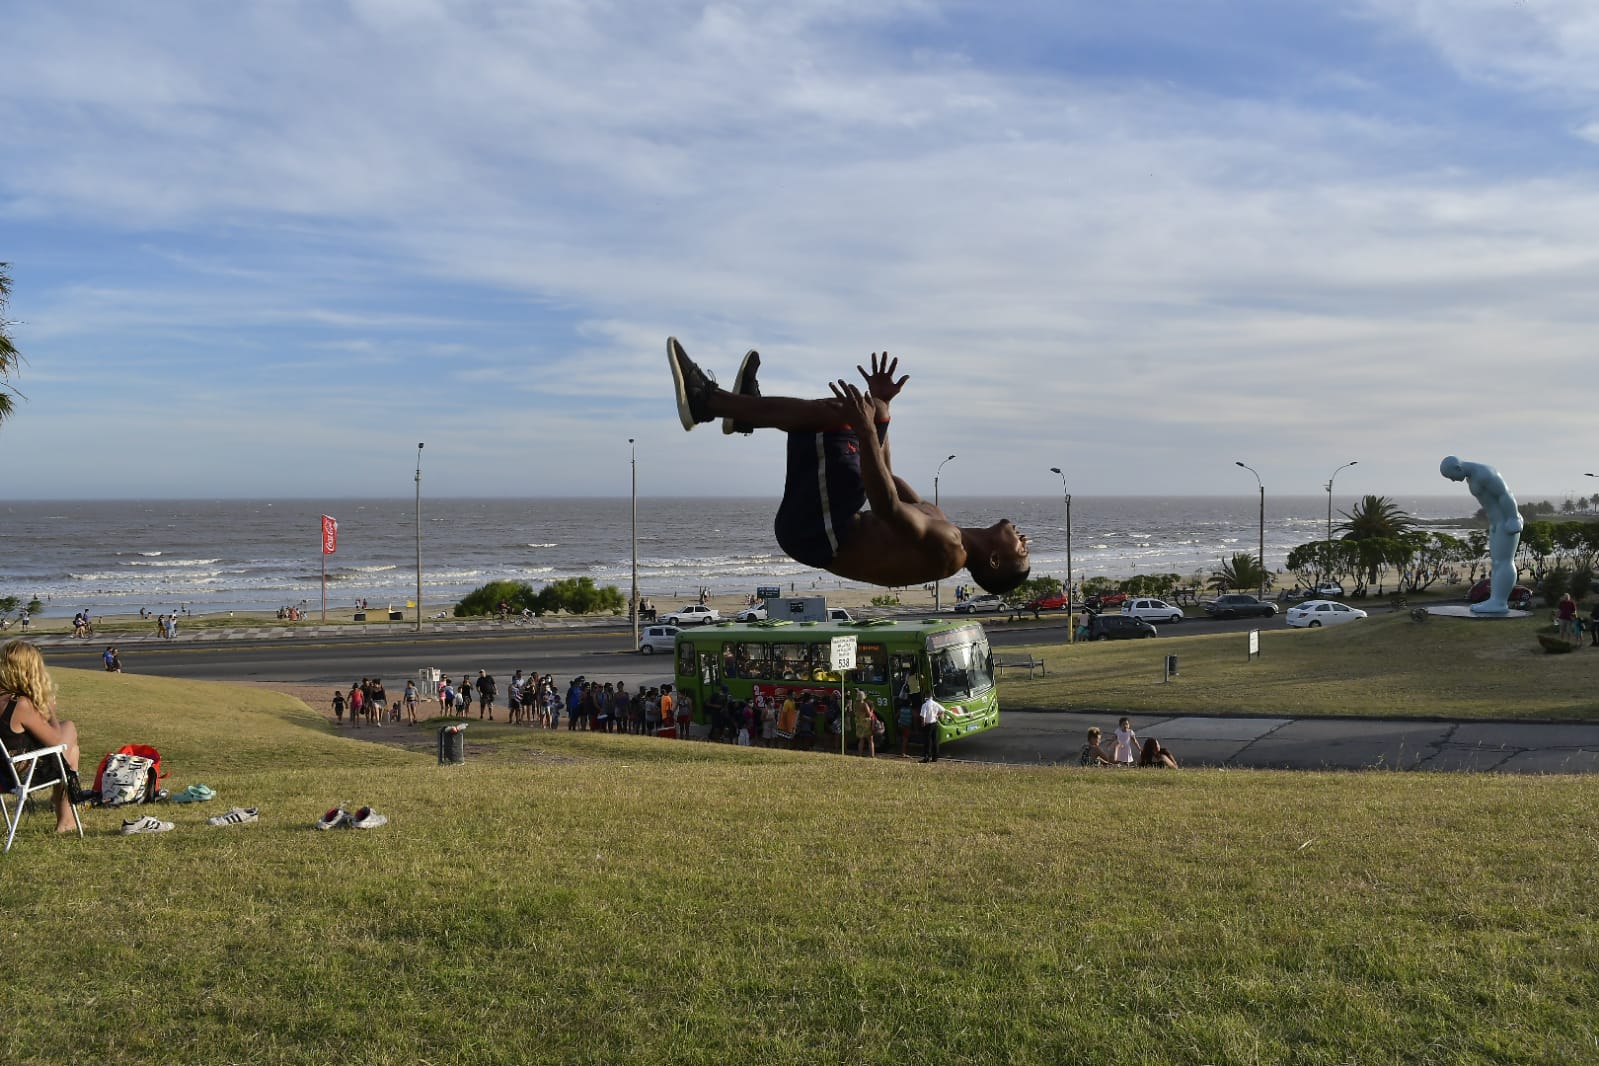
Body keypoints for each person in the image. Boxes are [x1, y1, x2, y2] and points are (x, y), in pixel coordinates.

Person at [668, 341, 1031, 595]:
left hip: (818, 534)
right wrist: (883, 408)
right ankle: (744, 410)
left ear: (995, 560)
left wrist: (867, 429)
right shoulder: (943, 522)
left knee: (843, 417)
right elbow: (886, 475)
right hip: (824, 526)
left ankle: (707, 402)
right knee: (860, 411)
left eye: (1022, 549)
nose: (1025, 539)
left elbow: (886, 505)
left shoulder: (950, 549)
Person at [0, 640, 84, 832]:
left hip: (2, 770)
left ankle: (65, 818)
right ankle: (65, 820)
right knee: (69, 732)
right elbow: (56, 741)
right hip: (19, 774)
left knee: (72, 751)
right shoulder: (19, 704)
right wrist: (50, 710)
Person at [1440, 456, 1524, 615]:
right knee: (1498, 563)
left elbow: (1505, 495)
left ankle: (1499, 603)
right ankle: (1495, 600)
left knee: (1504, 561)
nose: (1452, 480)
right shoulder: (1471, 476)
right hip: (1497, 524)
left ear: (1458, 468)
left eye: (1451, 476)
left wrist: (1512, 518)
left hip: (1507, 522)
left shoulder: (1484, 473)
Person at [918, 692, 945, 763]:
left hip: (928, 725)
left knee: (927, 741)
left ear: (926, 696)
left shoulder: (925, 705)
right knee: (935, 741)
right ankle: (935, 758)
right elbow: (942, 710)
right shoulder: (935, 704)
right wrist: (937, 715)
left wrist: (923, 723)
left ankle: (927, 757)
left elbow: (923, 715)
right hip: (935, 723)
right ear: (931, 696)